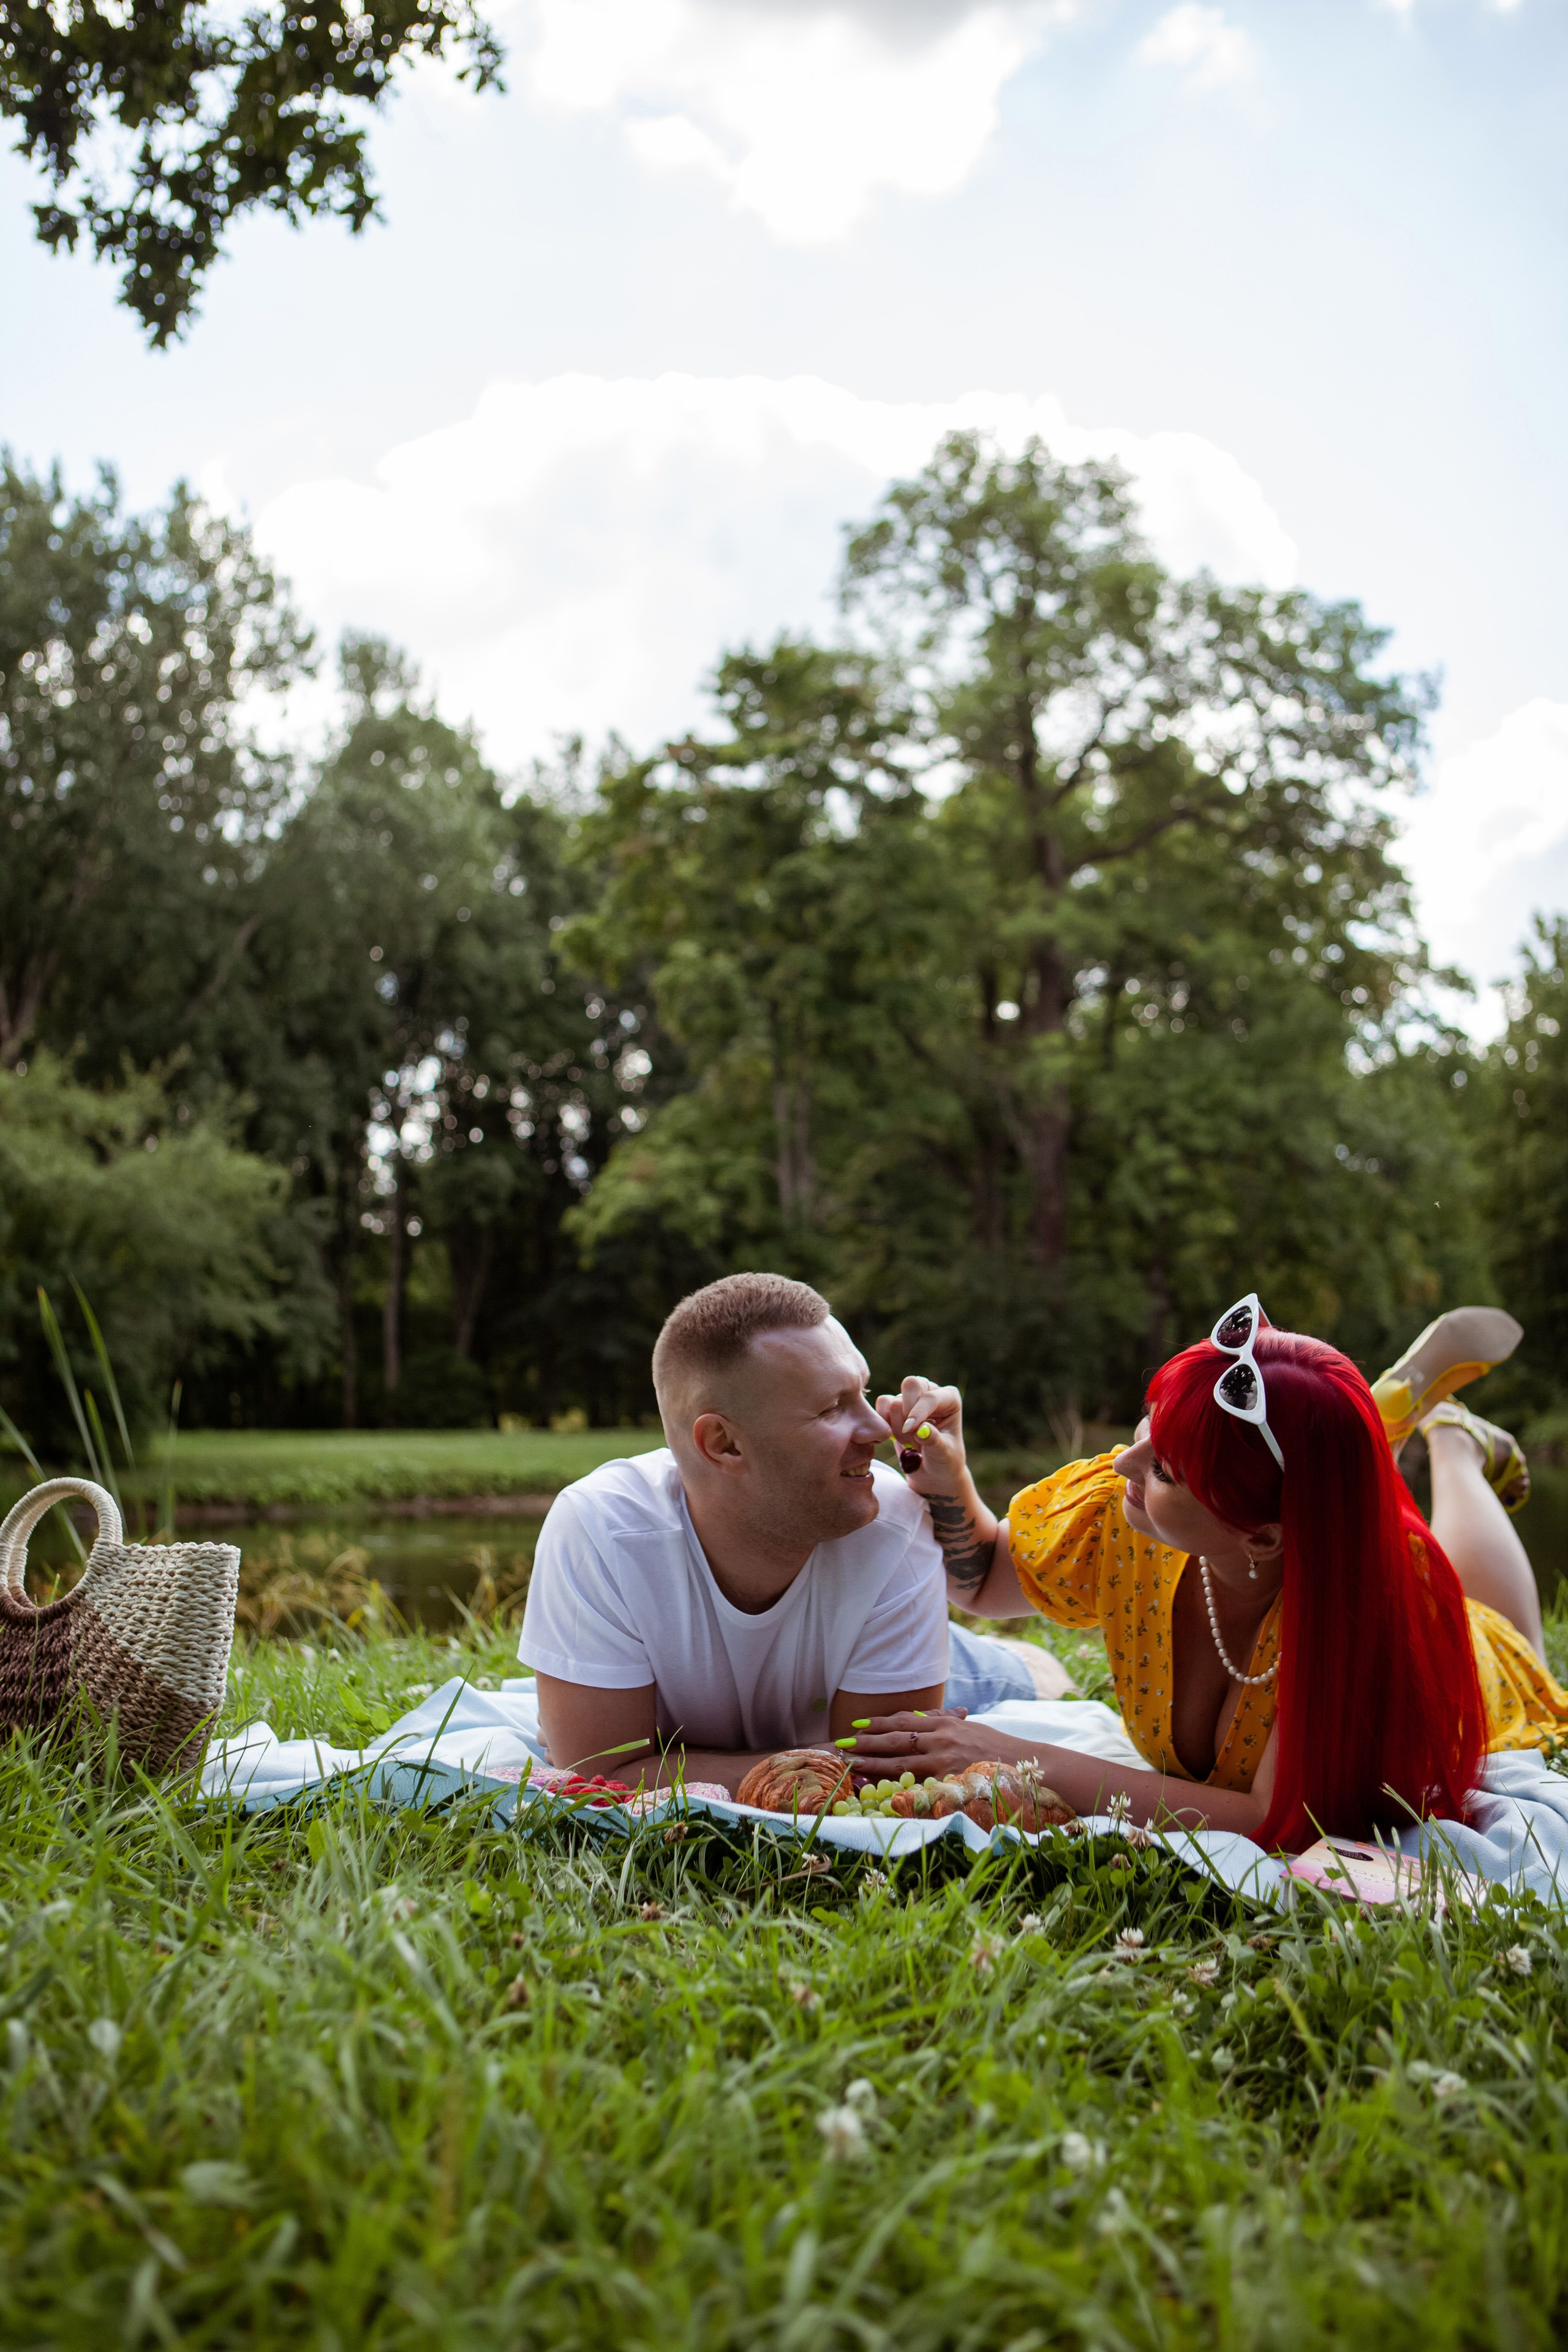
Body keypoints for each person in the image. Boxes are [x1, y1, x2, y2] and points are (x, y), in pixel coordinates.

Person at [855, 1300, 1568, 1850]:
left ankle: (1452, 1440)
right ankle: (1365, 1435)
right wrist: (947, 1478)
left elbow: (1270, 1820)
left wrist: (1014, 1756)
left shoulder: (1368, 1621)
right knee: (1313, 1477)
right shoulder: (1123, 1516)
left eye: (1163, 1467)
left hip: (1458, 1660)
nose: (1121, 1466)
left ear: (1260, 1532)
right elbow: (981, 1580)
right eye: (1147, 1430)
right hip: (1300, 1522)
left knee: (1511, 1636)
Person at [519, 1272, 1061, 1793]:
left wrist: (659, 1762)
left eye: (865, 1393)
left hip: (966, 1675)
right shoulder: (601, 1531)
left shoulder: (893, 1521)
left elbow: (879, 1773)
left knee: (1031, 1680)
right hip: (831, 1678)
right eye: (832, 1408)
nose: (878, 1428)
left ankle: (1021, 1664)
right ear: (725, 1444)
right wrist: (826, 1762)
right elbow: (598, 1772)